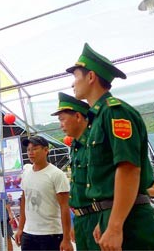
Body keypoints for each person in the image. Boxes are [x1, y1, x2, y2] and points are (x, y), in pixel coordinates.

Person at [66, 42, 154, 250]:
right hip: (112, 214)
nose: (73, 84)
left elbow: (128, 168)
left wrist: (115, 226)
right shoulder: (97, 119)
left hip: (131, 219)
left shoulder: (115, 112)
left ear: (91, 77)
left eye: (76, 76)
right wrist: (105, 220)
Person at [51, 92, 100, 250]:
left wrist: (105, 221)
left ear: (78, 116)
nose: (61, 125)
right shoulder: (75, 147)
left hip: (97, 217)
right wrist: (75, 223)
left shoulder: (96, 142)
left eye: (62, 119)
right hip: (82, 219)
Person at [15, 136, 73, 251]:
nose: (31, 152)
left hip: (51, 234)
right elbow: (24, 201)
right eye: (28, 149)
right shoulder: (26, 173)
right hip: (28, 233)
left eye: (35, 149)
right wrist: (20, 228)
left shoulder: (56, 174)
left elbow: (64, 207)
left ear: (46, 150)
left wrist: (66, 239)